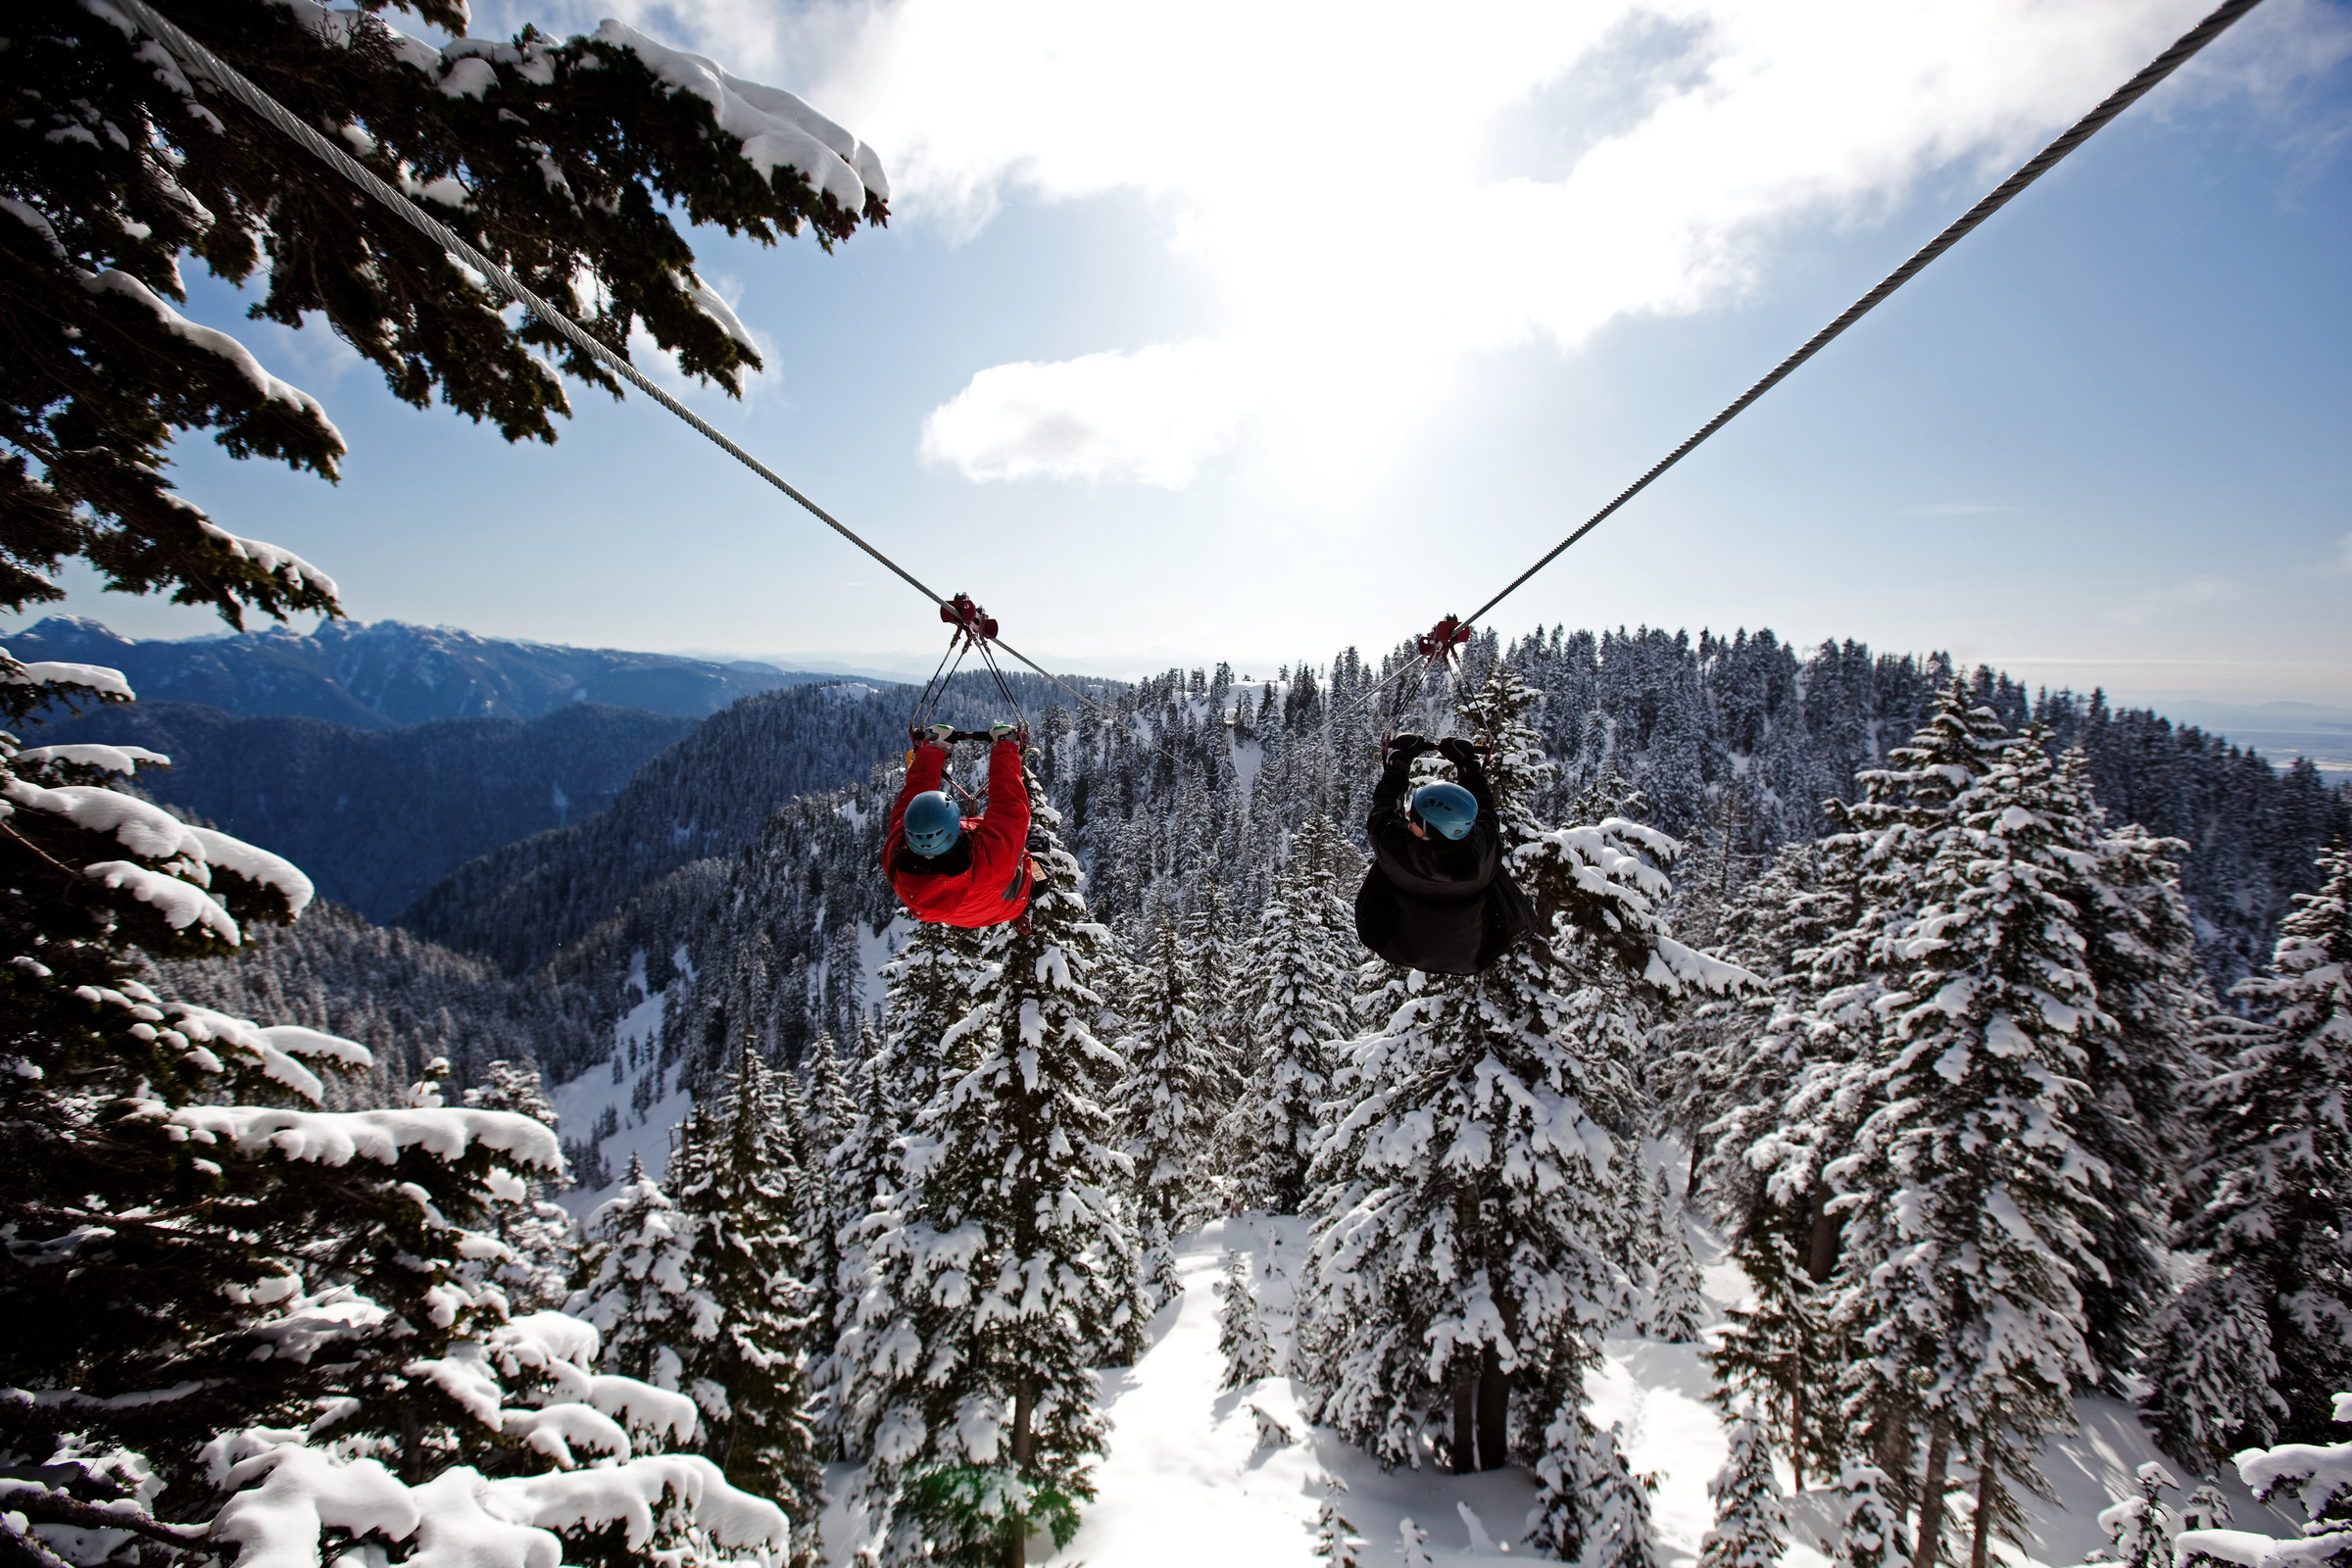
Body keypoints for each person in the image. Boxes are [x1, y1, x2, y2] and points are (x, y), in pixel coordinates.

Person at [1353, 733, 1535, 975]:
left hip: (1399, 939)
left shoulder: (1397, 850)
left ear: (1427, 829)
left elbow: (1384, 808)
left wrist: (1400, 761)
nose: (1407, 817)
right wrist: (1467, 764)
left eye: (1414, 818)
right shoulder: (1483, 850)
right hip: (1473, 949)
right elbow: (1485, 810)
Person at [883, 722, 1036, 927]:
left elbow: (912, 796)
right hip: (1007, 906)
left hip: (966, 911)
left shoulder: (897, 860)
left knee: (1017, 850)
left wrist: (932, 750)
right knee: (1040, 855)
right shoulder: (991, 862)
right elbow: (1010, 805)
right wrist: (1004, 749)